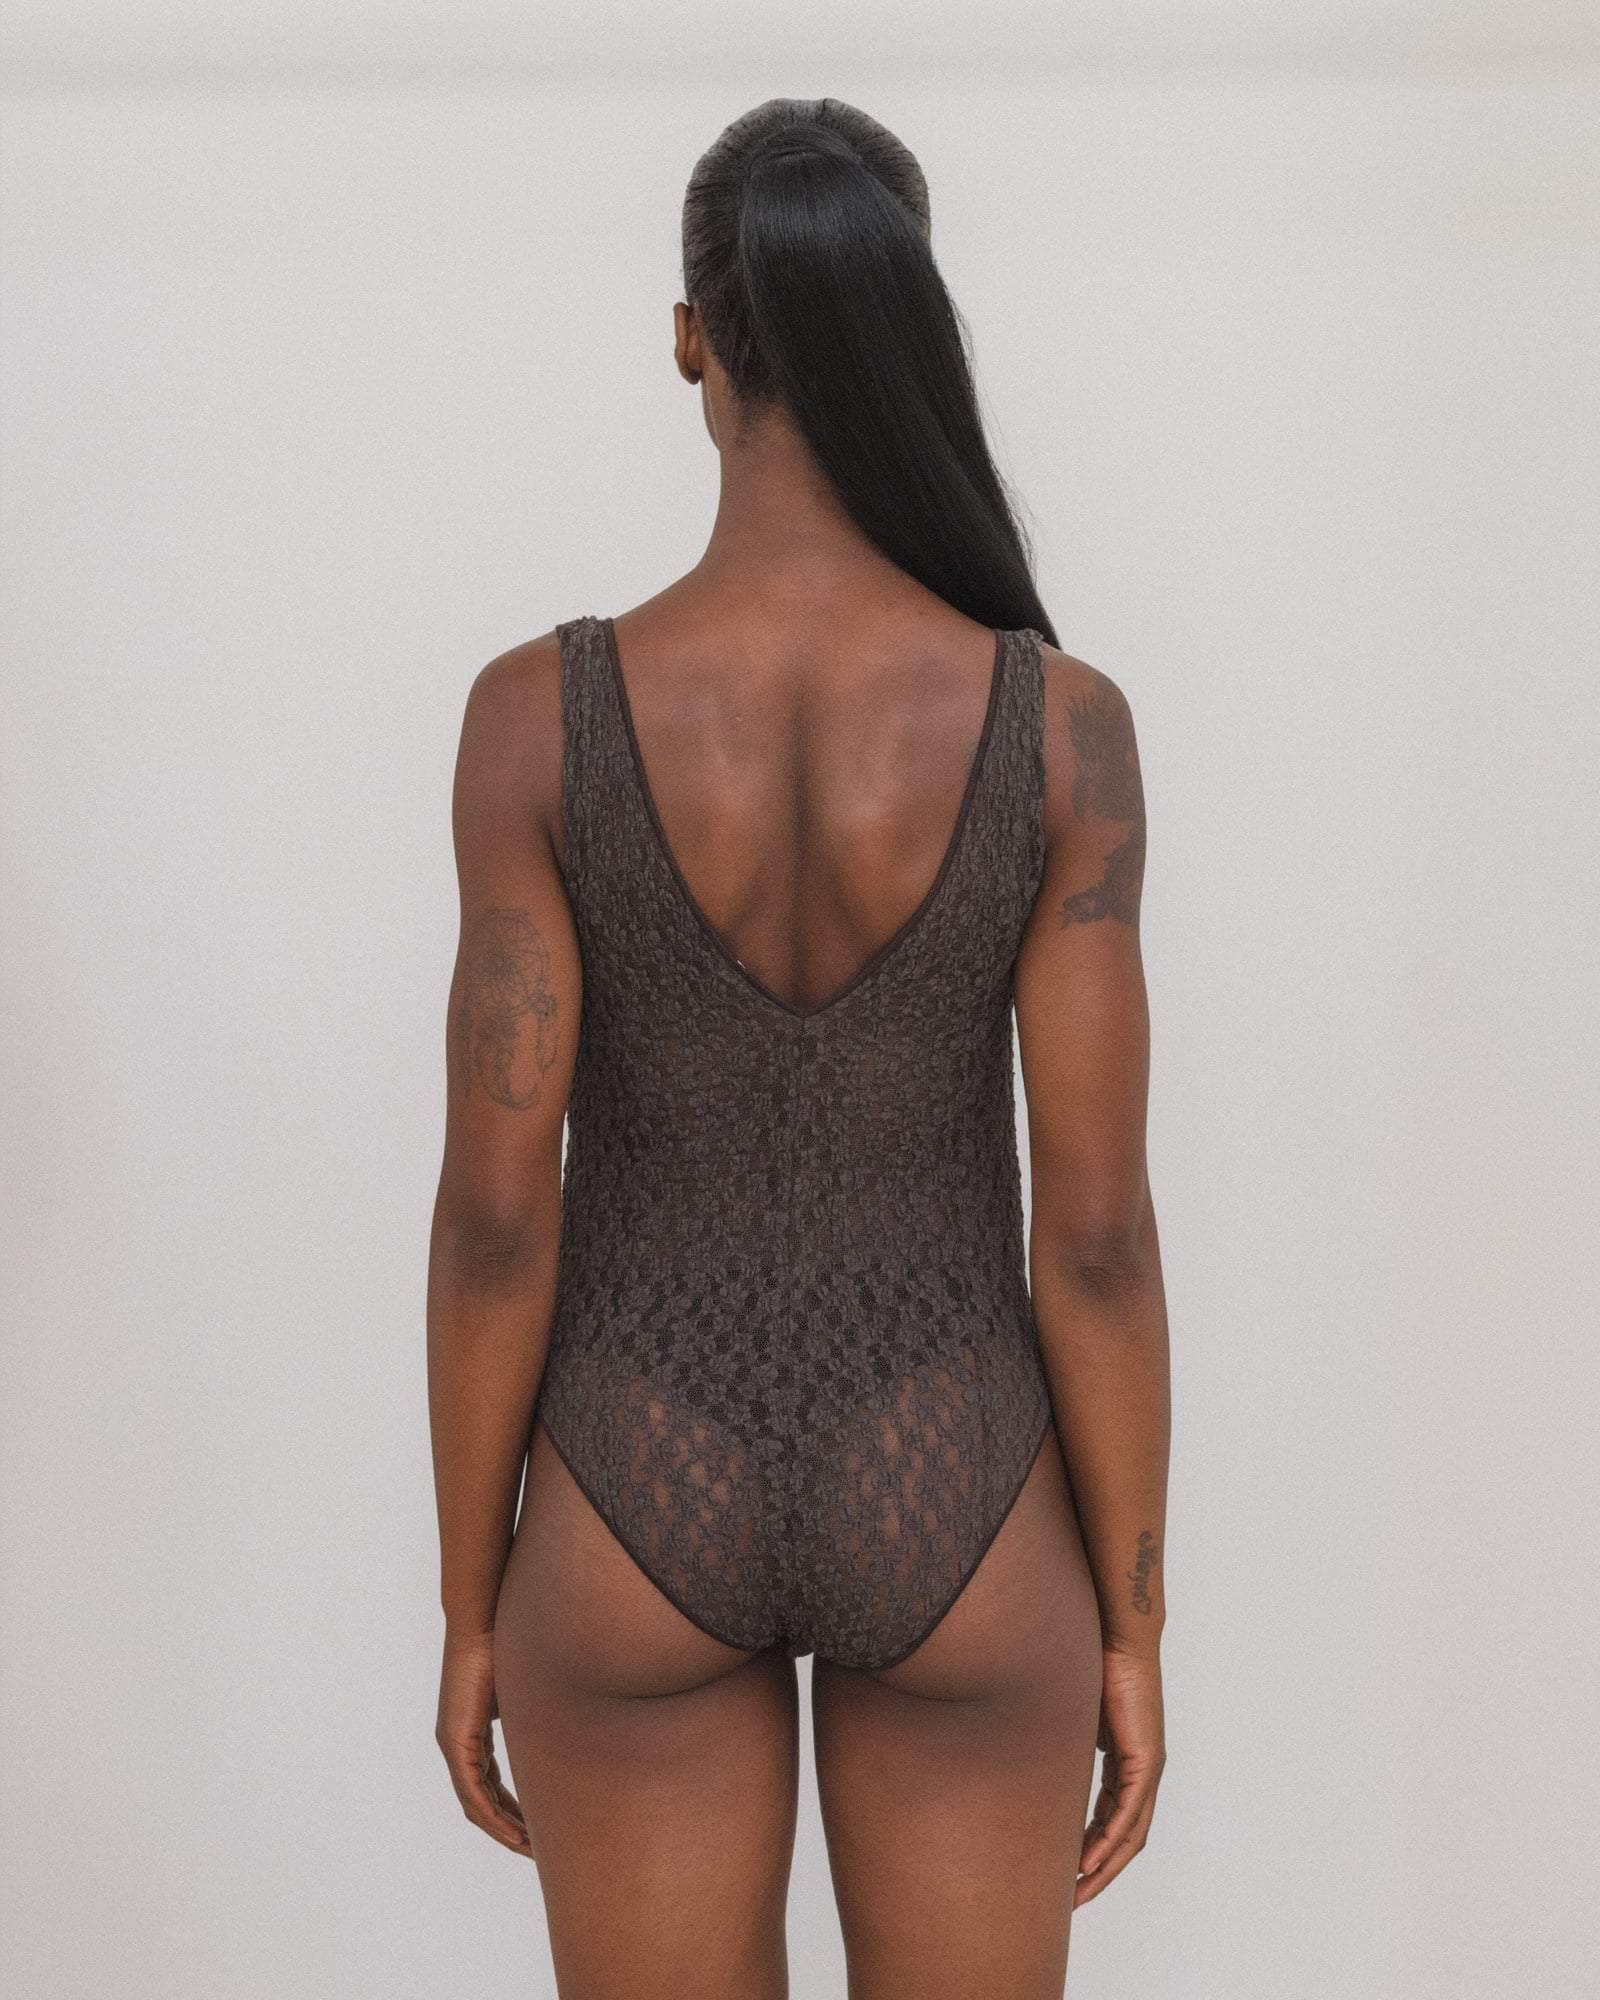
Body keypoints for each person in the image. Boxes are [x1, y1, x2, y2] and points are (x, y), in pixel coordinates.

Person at [427, 95, 1169, 1999]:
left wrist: (469, 1604)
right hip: (962, 1483)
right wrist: (1135, 1624)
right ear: (907, 314)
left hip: (630, 1475)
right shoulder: (1059, 728)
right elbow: (1094, 1237)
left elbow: (499, 1220)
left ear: (694, 333)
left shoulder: (537, 720)